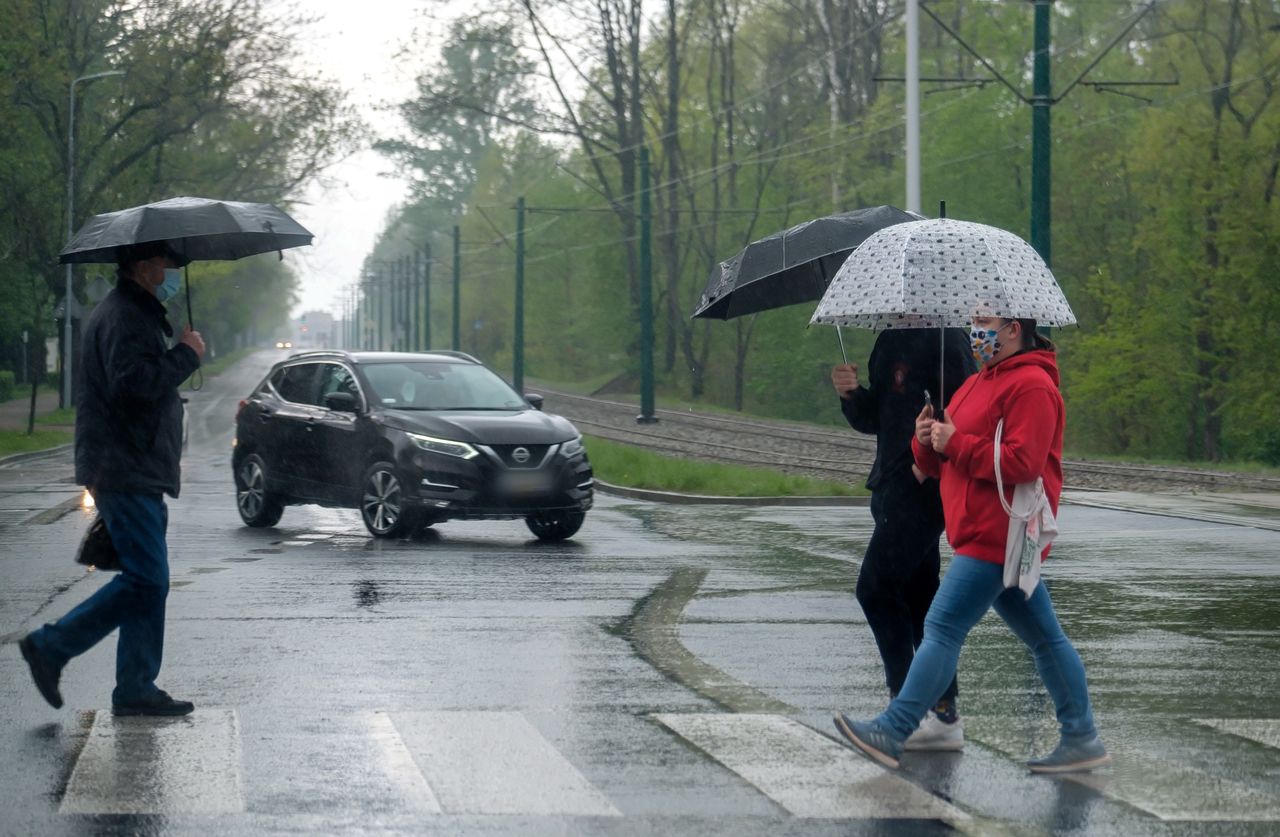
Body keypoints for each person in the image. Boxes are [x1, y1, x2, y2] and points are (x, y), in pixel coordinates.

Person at [834, 315, 1111, 774]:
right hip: (983, 530)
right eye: (975, 319)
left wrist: (956, 443)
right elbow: (947, 458)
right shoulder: (979, 383)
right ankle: (1081, 736)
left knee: (941, 628)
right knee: (1045, 639)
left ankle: (895, 728)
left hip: (999, 532)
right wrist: (926, 442)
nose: (976, 330)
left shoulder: (1033, 387)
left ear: (1014, 329)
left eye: (985, 321)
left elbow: (1023, 463)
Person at [19, 239, 205, 716]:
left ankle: (135, 687)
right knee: (147, 579)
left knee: (150, 580)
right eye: (162, 262)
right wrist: (185, 354)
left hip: (132, 464)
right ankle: (52, 645)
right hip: (125, 465)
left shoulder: (132, 312)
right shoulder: (125, 315)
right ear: (142, 267)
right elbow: (133, 385)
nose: (167, 270)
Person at [831, 328, 975, 750]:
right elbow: (877, 417)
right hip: (890, 485)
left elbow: (964, 413)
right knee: (920, 599)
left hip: (922, 489)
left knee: (874, 589)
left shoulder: (948, 341)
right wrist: (852, 395)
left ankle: (903, 711)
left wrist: (927, 468)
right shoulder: (889, 338)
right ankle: (943, 713)